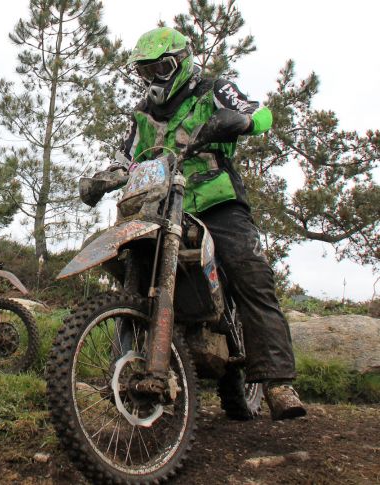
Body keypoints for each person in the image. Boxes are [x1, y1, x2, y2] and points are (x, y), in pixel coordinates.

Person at [115, 27, 305, 420]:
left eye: (161, 69)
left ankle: (278, 382)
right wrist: (105, 176)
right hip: (165, 207)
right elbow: (127, 156)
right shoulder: (143, 112)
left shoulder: (213, 88)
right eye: (145, 73)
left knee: (250, 273)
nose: (154, 79)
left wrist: (236, 121)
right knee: (132, 269)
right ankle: (132, 370)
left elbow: (260, 112)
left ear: (182, 61)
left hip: (218, 201)